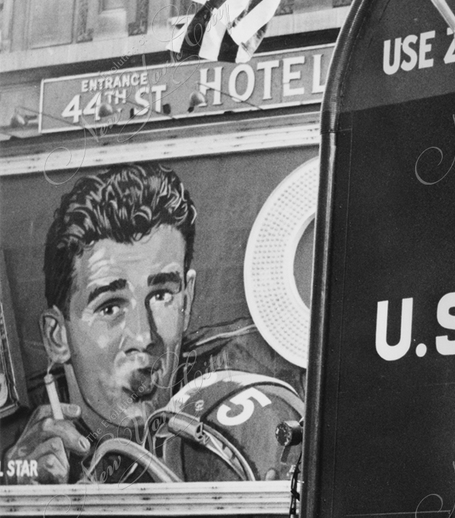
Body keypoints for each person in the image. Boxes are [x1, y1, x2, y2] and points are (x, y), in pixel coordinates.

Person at [1, 162, 304, 486]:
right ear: (56, 336)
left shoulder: (259, 364)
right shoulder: (17, 432)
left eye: (161, 296)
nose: (144, 336)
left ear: (186, 300)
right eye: (110, 307)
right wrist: (14, 485)